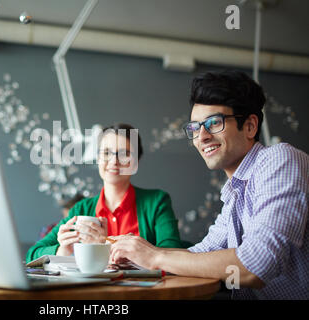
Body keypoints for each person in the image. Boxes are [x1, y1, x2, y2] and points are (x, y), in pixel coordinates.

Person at [109, 70, 308, 300]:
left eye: (214, 123)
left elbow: (256, 266)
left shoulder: (280, 160)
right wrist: (131, 258)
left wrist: (154, 257)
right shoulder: (235, 192)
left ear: (251, 126)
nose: (201, 136)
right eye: (194, 128)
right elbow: (202, 253)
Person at [26, 123, 182, 262]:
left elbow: (172, 255)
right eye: (106, 153)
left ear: (136, 162)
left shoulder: (157, 201)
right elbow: (32, 254)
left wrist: (105, 244)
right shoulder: (81, 209)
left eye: (124, 154)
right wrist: (62, 251)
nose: (114, 161)